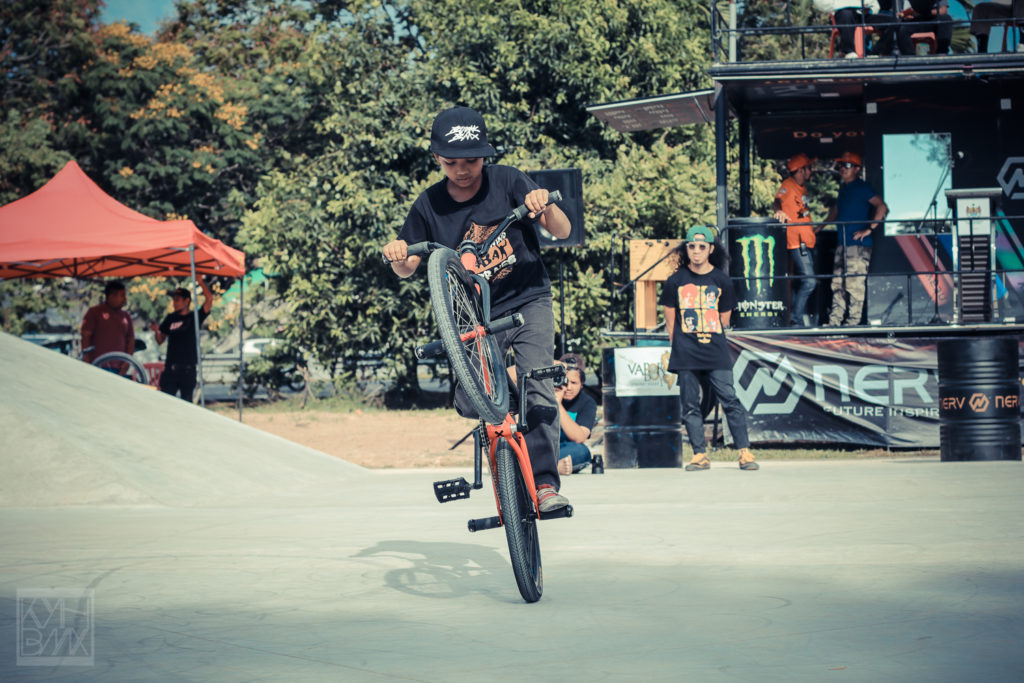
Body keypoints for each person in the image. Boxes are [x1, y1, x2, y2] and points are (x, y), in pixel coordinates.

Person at [382, 106, 573, 513]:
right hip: (474, 315)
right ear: (437, 158)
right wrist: (398, 253)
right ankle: (505, 407)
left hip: (528, 300)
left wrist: (544, 205)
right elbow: (407, 266)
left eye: (470, 161)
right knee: (473, 400)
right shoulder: (429, 204)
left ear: (484, 155)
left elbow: (562, 230)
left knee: (538, 381)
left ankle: (544, 485)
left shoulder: (507, 180)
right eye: (451, 163)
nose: (462, 170)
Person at [658, 225, 758, 472]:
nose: (696, 251)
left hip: (715, 350)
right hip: (686, 351)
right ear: (686, 249)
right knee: (690, 404)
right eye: (692, 246)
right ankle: (700, 455)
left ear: (711, 249)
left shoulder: (722, 280)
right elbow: (670, 322)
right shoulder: (675, 281)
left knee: (730, 399)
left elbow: (724, 318)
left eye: (702, 247)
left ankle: (744, 452)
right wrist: (680, 346)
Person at [825, 152, 888, 327]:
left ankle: (853, 323)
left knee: (854, 284)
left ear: (857, 169)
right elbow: (836, 210)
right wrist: (819, 227)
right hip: (842, 244)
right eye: (840, 165)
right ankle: (834, 322)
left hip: (858, 246)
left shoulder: (862, 187)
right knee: (837, 284)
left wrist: (869, 229)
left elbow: (882, 207)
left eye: (847, 165)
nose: (842, 169)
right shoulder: (843, 189)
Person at [773, 153, 821, 327]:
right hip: (797, 243)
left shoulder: (801, 188)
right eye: (809, 168)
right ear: (801, 170)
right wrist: (779, 211)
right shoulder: (788, 185)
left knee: (801, 281)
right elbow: (777, 201)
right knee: (810, 281)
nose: (811, 171)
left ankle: (795, 318)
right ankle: (796, 320)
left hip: (806, 241)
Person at [151, 277, 214, 401]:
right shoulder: (170, 318)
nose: (174, 303)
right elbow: (160, 341)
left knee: (187, 403)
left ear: (186, 301)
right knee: (166, 402)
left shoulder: (195, 317)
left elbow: (209, 299)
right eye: (173, 300)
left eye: (177, 300)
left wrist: (200, 281)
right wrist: (156, 331)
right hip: (171, 369)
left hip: (188, 369)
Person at [554, 353, 598, 476]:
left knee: (582, 452)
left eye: (574, 383)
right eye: (565, 381)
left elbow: (579, 437)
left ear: (581, 384)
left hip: (565, 449)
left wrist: (558, 404)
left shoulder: (587, 403)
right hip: (544, 447)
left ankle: (545, 468)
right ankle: (552, 468)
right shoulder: (545, 394)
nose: (568, 387)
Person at [81, 280, 135, 371]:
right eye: (122, 295)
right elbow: (86, 336)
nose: (125, 299)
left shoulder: (126, 316)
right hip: (97, 365)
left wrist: (127, 362)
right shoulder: (94, 312)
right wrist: (86, 359)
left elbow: (131, 340)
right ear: (111, 296)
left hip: (119, 367)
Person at [814, 0, 898, 57]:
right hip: (844, 14)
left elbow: (875, 5)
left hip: (863, 15)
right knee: (846, 14)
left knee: (894, 22)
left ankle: (875, 53)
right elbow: (821, 4)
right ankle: (849, 51)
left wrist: (870, 9)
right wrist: (844, 5)